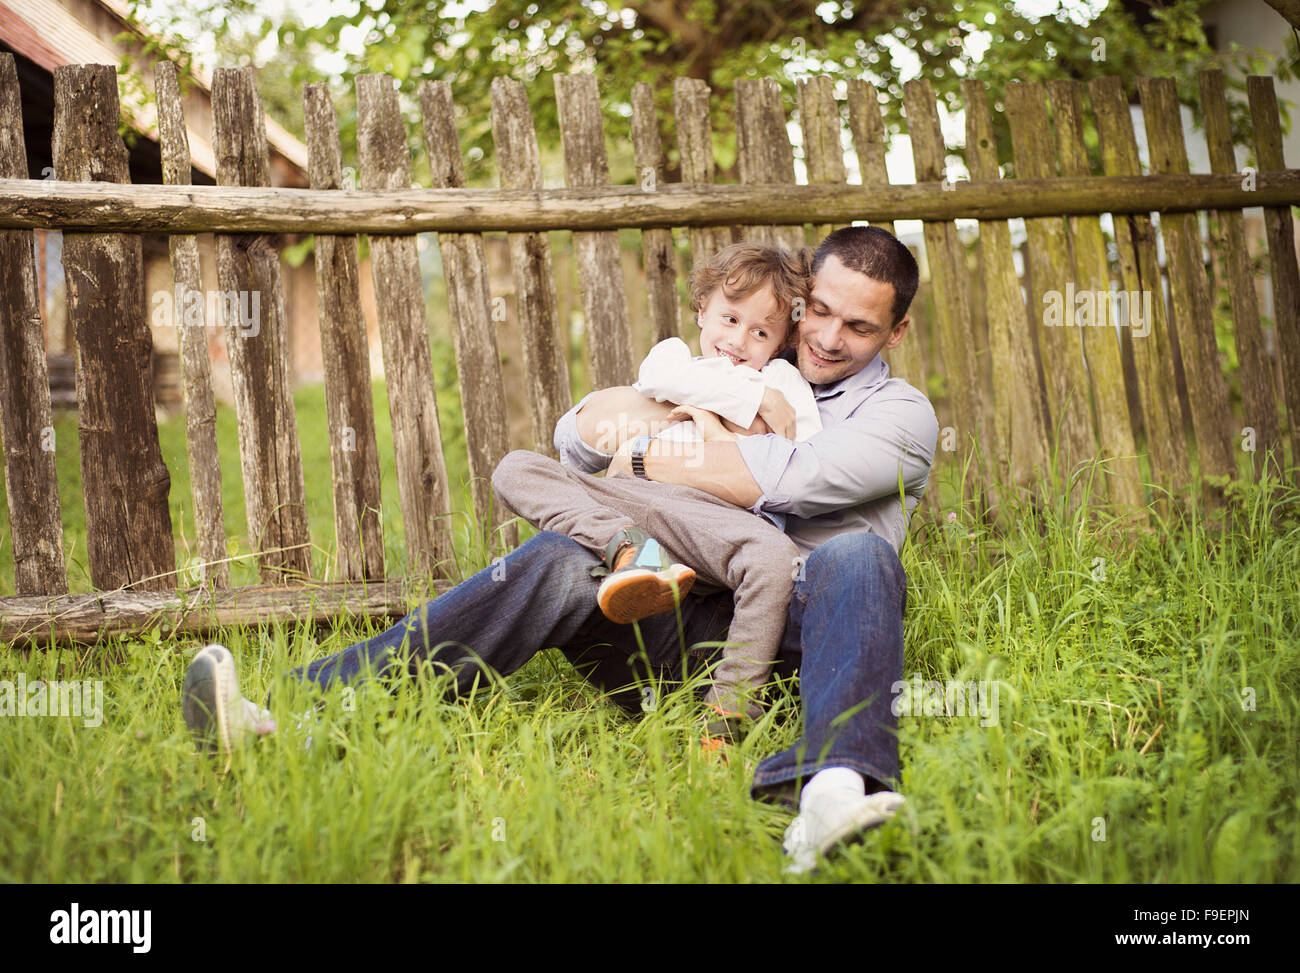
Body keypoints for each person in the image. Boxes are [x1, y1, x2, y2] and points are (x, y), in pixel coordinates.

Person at [182, 224, 938, 873]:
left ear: (896, 332)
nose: (829, 338)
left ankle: (834, 789)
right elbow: (577, 436)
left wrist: (644, 451)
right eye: (821, 314)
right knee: (555, 555)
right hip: (670, 609)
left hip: (795, 643)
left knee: (858, 557)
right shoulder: (731, 370)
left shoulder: (900, 416)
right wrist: (664, 431)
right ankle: (294, 713)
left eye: (860, 327)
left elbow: (784, 476)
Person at [491, 242, 821, 733]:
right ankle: (628, 549)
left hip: (716, 520)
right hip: (631, 502)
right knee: (517, 467)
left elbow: (801, 449)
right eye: (730, 319)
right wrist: (747, 400)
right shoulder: (676, 360)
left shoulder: (784, 380)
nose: (739, 341)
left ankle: (729, 712)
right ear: (703, 308)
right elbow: (655, 378)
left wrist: (709, 424)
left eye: (760, 332)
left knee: (775, 559)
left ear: (780, 342)